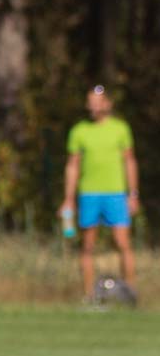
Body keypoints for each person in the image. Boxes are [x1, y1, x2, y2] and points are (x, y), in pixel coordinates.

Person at [60, 85, 141, 299]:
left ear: (108, 104)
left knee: (123, 243)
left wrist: (133, 194)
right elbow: (72, 166)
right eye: (90, 102)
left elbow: (130, 162)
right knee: (87, 245)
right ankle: (90, 297)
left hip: (116, 193)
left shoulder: (120, 129)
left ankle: (130, 294)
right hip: (89, 194)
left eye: (98, 102)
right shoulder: (79, 131)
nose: (93, 106)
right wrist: (68, 199)